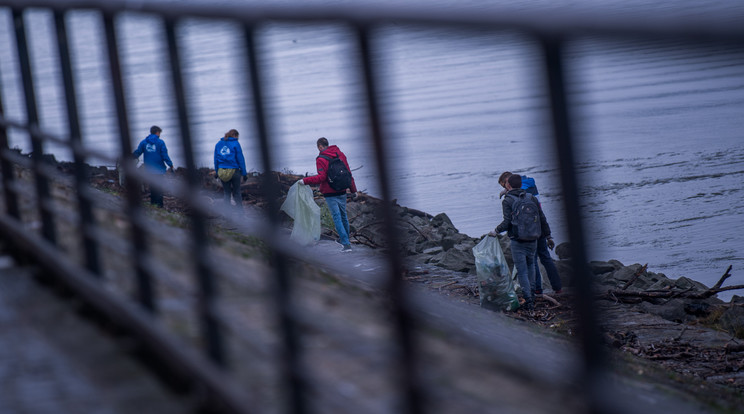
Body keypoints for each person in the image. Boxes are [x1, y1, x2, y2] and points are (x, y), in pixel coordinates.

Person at [490, 174, 552, 311]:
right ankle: (533, 295)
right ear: (521, 184)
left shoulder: (508, 200)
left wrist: (495, 231)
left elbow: (506, 223)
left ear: (508, 185)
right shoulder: (531, 198)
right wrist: (548, 236)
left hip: (517, 240)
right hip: (533, 238)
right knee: (531, 266)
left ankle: (528, 300)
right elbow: (542, 219)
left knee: (522, 270)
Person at [499, 171, 562, 295]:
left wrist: (507, 193)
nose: (505, 187)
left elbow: (518, 196)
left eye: (504, 184)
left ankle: (537, 289)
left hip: (526, 231)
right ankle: (558, 287)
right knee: (545, 258)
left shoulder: (516, 193)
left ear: (508, 181)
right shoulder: (530, 184)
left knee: (532, 260)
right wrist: (548, 234)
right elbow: (539, 213)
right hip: (538, 226)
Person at [301, 137, 358, 252]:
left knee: (337, 217)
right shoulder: (340, 154)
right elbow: (348, 173)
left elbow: (322, 177)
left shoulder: (320, 159)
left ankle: (346, 244)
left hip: (330, 192)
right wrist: (353, 190)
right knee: (343, 217)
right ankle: (345, 240)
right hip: (342, 189)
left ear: (320, 147)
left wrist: (305, 181)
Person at [132, 125, 174, 207]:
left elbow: (137, 152)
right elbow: (164, 155)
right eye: (159, 133)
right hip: (159, 170)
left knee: (152, 188)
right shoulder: (161, 142)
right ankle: (159, 206)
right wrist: (170, 164)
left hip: (148, 170)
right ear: (158, 132)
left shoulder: (144, 142)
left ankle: (153, 205)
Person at [214, 129, 247, 212]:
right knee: (237, 193)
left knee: (227, 193)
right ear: (235, 135)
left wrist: (217, 171)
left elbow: (216, 160)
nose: (238, 139)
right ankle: (240, 214)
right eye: (237, 137)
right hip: (234, 171)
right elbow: (240, 159)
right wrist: (244, 173)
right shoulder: (236, 143)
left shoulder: (218, 144)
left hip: (222, 171)